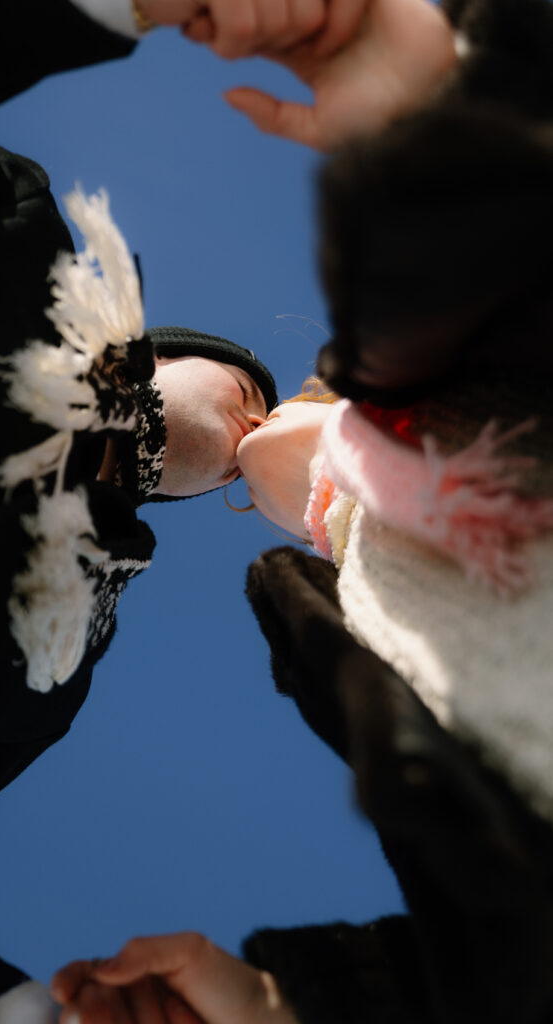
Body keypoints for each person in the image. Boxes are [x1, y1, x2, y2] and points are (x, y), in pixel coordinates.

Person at [52, 0, 553, 1020]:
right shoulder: (347, 617)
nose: (253, 428)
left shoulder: (450, 360)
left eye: (269, 395)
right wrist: (289, 1001)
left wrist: (451, 97)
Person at [0, 1, 343, 1020]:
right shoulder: (15, 250)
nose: (247, 440)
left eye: (230, 490)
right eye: (245, 385)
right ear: (154, 349)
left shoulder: (57, 660)